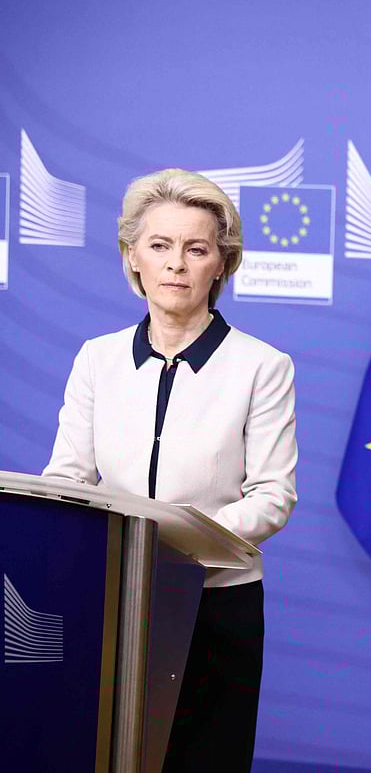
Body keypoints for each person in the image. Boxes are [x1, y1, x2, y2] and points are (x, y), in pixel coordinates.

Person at [43, 168, 298, 772]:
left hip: (217, 606)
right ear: (133, 257)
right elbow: (66, 478)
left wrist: (172, 542)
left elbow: (272, 496)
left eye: (196, 249)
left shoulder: (263, 366)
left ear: (221, 264)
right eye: (159, 246)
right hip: (112, 599)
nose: (176, 264)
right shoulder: (97, 359)